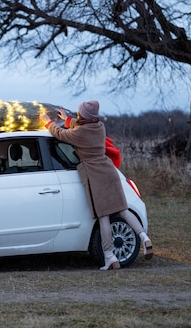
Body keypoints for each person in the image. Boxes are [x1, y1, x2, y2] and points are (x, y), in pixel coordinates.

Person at [40, 100, 153, 270]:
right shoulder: (99, 127)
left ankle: (109, 256)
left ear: (82, 116)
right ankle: (144, 237)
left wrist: (47, 121)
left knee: (103, 216)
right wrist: (67, 118)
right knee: (122, 209)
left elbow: (60, 134)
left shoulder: (79, 134)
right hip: (109, 171)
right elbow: (80, 125)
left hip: (95, 175)